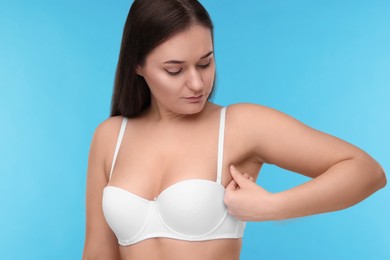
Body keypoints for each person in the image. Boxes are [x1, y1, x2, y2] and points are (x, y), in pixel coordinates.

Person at [82, 0, 387, 259]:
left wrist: (274, 206)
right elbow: (98, 252)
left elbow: (366, 172)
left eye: (205, 63)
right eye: (174, 70)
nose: (197, 84)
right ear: (137, 64)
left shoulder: (239, 126)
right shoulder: (111, 137)